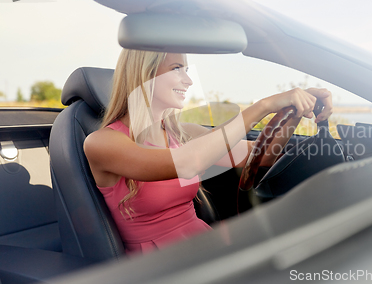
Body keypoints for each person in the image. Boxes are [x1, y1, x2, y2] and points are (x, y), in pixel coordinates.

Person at [83, 49, 334, 254]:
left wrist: (293, 110)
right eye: (176, 69)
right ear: (145, 75)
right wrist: (264, 106)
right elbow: (189, 163)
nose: (188, 80)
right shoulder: (103, 143)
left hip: (203, 245)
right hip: (156, 266)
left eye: (187, 70)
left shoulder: (183, 133)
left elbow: (264, 155)